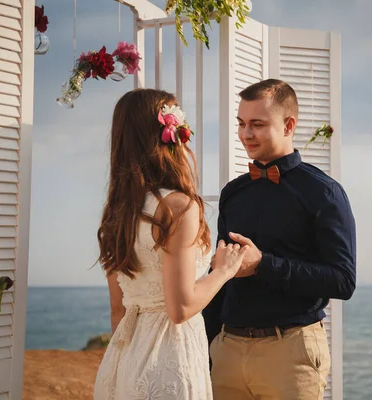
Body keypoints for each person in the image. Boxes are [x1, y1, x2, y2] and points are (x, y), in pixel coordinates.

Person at [203, 79, 357, 400]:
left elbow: (343, 281)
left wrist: (263, 265)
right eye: (242, 124)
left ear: (288, 125)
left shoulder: (324, 193)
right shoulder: (233, 193)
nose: (246, 134)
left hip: (291, 353)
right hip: (227, 352)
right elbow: (219, 277)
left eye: (257, 124)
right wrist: (206, 348)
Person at [93, 88, 248, 400]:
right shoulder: (177, 207)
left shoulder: (118, 213)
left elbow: (117, 310)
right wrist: (223, 270)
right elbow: (180, 308)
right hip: (171, 360)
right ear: (166, 135)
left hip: (124, 361)